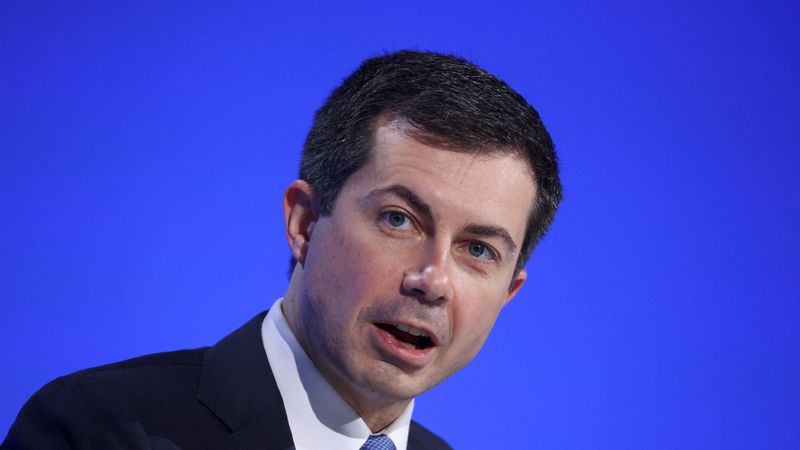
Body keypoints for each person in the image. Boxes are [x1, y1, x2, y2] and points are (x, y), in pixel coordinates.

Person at [2, 50, 562, 450]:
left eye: (479, 250)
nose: (433, 279)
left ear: (509, 293)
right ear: (303, 223)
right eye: (399, 219)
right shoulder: (100, 429)